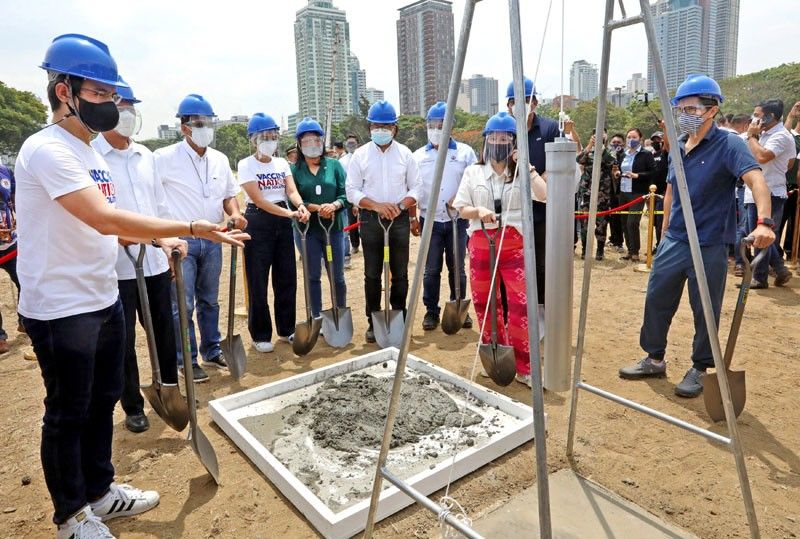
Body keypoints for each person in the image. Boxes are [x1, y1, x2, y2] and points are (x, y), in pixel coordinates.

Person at [15, 33, 248, 539]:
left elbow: (114, 225)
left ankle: (100, 491)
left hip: (100, 296)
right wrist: (188, 227)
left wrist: (161, 241)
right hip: (60, 306)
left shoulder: (91, 153)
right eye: (99, 94)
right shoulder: (46, 150)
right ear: (64, 91)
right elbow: (99, 217)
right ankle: (72, 516)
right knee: (67, 412)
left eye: (111, 96)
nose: (110, 105)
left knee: (101, 401)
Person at [619, 74, 775, 398]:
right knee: (656, 299)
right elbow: (670, 193)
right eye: (680, 108)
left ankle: (700, 368)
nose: (684, 114)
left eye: (690, 108)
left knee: (706, 309)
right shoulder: (677, 146)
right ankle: (654, 357)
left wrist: (764, 222)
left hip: (710, 243)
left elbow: (757, 181)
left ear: (711, 110)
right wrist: (663, 236)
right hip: (675, 240)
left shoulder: (729, 144)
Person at [90, 78, 176, 434]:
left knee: (164, 330)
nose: (127, 115)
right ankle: (133, 405)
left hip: (154, 260)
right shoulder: (93, 156)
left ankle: (170, 392)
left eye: (131, 109)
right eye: (121, 107)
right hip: (119, 266)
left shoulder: (146, 156)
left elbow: (158, 206)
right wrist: (126, 237)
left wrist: (168, 240)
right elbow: (97, 216)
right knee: (123, 342)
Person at [154, 94, 247, 383]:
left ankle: (212, 348)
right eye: (199, 123)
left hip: (214, 239)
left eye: (209, 122)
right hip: (181, 241)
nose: (205, 127)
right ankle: (187, 359)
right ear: (184, 127)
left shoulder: (219, 159)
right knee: (183, 304)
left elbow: (228, 196)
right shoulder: (163, 159)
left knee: (210, 301)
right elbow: (152, 198)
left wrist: (234, 214)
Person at [453, 112, 547, 388]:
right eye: (493, 137)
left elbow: (544, 195)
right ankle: (495, 357)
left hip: (514, 245)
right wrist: (479, 211)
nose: (498, 142)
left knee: (519, 306)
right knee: (485, 304)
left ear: (513, 142)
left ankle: (524, 366)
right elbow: (461, 209)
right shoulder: (473, 172)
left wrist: (528, 167)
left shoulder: (521, 172)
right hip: (482, 244)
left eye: (504, 138)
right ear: (485, 141)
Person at [346, 100, 420, 343]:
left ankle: (398, 316)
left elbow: (417, 188)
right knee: (372, 273)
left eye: (386, 126)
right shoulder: (360, 155)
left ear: (395, 128)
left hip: (398, 219)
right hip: (371, 219)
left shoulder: (405, 154)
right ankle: (373, 320)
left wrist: (400, 206)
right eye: (376, 126)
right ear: (369, 128)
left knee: (399, 273)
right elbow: (352, 190)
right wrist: (376, 206)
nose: (381, 130)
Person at [237, 113, 309, 353]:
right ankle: (260, 334)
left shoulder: (281, 164)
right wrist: (288, 214)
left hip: (282, 221)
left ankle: (287, 328)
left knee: (286, 277)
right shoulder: (246, 164)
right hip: (258, 220)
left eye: (274, 136)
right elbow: (258, 198)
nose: (270, 141)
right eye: (265, 137)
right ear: (254, 140)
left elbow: (291, 190)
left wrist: (300, 206)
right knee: (258, 280)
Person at [413, 101, 477, 330]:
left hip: (457, 220)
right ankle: (431, 311)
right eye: (432, 124)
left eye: (442, 124)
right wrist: (414, 217)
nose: (436, 128)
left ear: (451, 126)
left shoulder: (464, 153)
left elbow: (473, 183)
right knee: (431, 269)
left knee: (457, 266)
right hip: (430, 220)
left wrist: (458, 200)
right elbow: (413, 188)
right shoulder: (418, 156)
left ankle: (458, 305)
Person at [505, 77, 558, 325]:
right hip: (512, 210)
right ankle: (513, 312)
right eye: (516, 101)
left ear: (535, 102)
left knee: (540, 264)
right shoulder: (504, 130)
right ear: (508, 105)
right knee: (512, 262)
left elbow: (553, 171)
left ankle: (541, 315)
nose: (522, 105)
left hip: (541, 210)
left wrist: (539, 177)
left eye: (527, 100)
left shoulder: (548, 129)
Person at [291, 117, 348, 318]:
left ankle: (339, 312)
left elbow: (345, 194)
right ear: (299, 144)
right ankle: (316, 316)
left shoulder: (334, 166)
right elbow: (291, 199)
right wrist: (314, 208)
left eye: (316, 140)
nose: (312, 145)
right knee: (313, 275)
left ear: (322, 141)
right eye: (306, 141)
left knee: (337, 275)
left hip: (333, 228)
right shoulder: (294, 170)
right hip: (307, 231)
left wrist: (334, 205)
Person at [742, 99, 795, 288]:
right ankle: (780, 269)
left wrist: (751, 138)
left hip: (771, 194)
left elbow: (763, 157)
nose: (754, 118)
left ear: (770, 116)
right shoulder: (761, 133)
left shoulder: (781, 135)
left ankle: (759, 277)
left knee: (762, 236)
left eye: (757, 115)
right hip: (752, 193)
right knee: (757, 235)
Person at [616, 127, 656, 262]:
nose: (631, 140)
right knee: (624, 222)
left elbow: (652, 172)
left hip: (637, 192)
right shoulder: (622, 154)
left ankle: (635, 252)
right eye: (629, 137)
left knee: (632, 222)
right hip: (623, 191)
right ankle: (630, 250)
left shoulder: (646, 154)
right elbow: (618, 169)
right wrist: (617, 174)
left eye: (634, 137)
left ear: (640, 139)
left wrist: (637, 175)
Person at [576, 128, 616, 261]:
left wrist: (602, 147)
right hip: (587, 192)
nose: (597, 136)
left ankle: (600, 250)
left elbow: (611, 161)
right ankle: (585, 250)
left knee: (601, 223)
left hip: (602, 194)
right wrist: (589, 146)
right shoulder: (589, 150)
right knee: (585, 224)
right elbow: (579, 159)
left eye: (601, 134)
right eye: (595, 134)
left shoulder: (609, 151)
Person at [0, 162, 20, 354]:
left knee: (26, 282)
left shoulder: (5, 170)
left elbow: (15, 200)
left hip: (10, 243)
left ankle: (25, 321)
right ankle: (0, 337)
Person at [339, 133, 361, 260]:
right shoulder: (342, 161)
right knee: (352, 222)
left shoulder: (364, 156)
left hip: (365, 195)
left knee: (365, 221)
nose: (351, 145)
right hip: (350, 196)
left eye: (353, 143)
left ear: (357, 144)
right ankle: (355, 245)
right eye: (349, 143)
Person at [649, 129, 670, 249]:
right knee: (655, 223)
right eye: (654, 140)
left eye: (659, 140)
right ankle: (658, 245)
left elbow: (668, 146)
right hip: (653, 194)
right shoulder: (651, 155)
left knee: (663, 222)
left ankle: (662, 246)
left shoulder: (667, 154)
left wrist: (665, 129)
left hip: (665, 194)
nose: (656, 142)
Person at [607, 133, 626, 252]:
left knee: (619, 217)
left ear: (623, 144)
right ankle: (613, 239)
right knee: (611, 217)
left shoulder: (625, 156)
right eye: (614, 142)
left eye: (618, 143)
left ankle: (619, 242)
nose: (616, 145)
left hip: (620, 190)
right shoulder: (609, 155)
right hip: (609, 190)